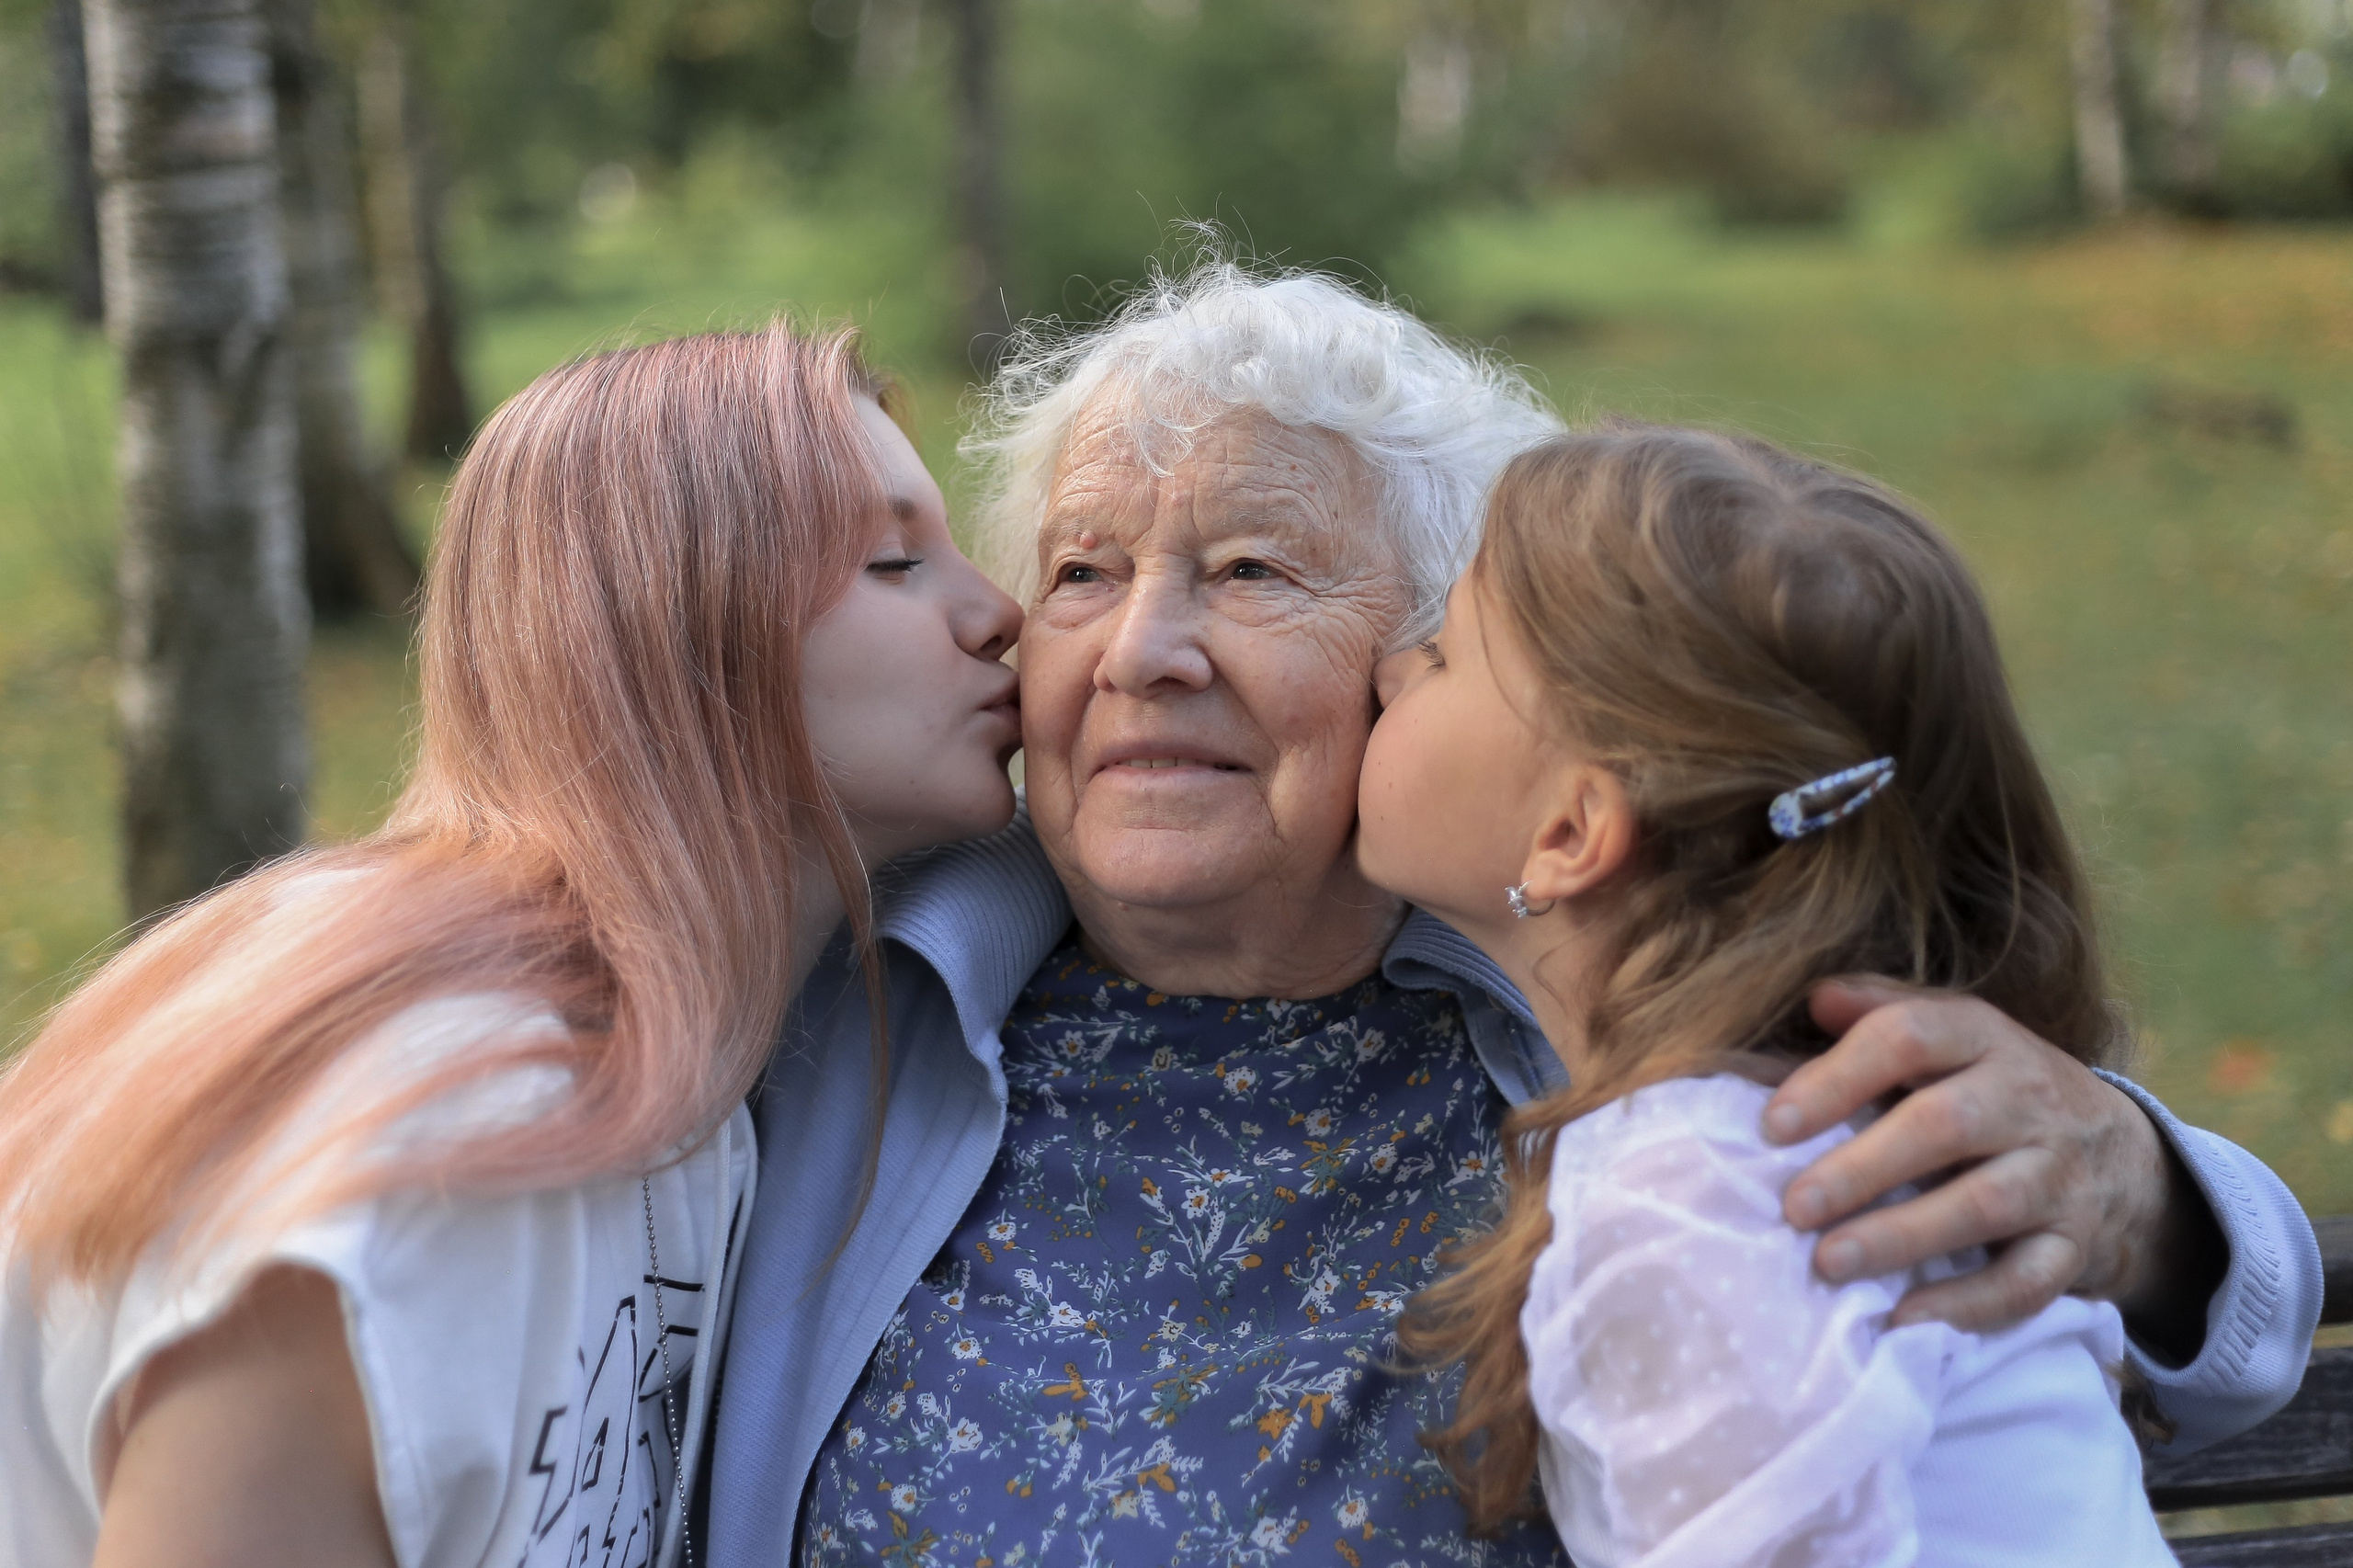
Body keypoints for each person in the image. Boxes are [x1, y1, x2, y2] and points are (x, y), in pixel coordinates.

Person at [712, 264, 2322, 1566]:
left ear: (1454, 685)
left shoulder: (1610, 1004)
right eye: (1080, 573)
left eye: (1256, 569)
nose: (1142, 650)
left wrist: (2140, 1186)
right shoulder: (853, 994)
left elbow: (2216, 1333)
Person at [0, 324, 1026, 1568]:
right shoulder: (439, 1137)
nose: (1000, 613)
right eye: (897, 560)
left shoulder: (685, 1098)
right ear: (678, 627)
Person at [1368, 424, 2182, 1564]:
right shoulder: (1828, 1126)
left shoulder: (1700, 1196)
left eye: (1443, 653)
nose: (1389, 668)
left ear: (1568, 832)